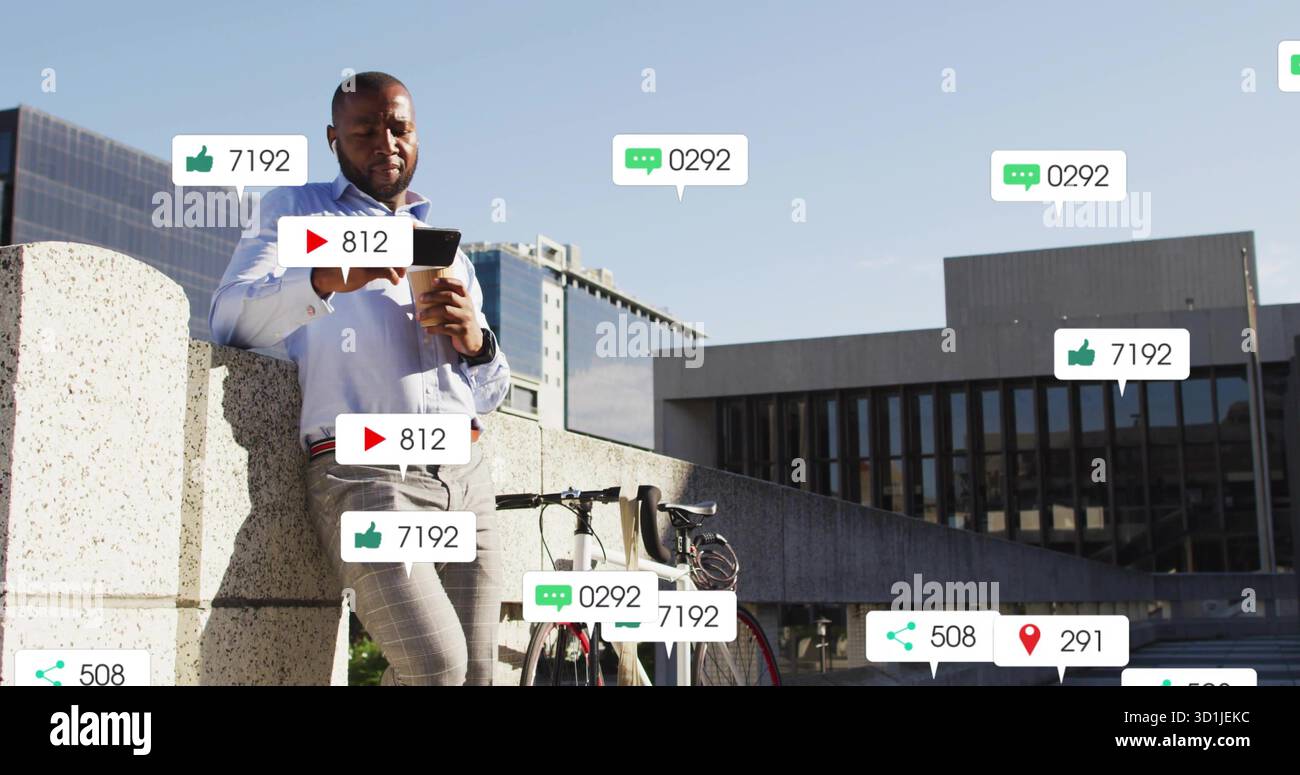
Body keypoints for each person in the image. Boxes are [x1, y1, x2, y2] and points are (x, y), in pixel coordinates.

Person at [210, 71, 510, 685]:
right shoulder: (296, 210)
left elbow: (489, 394)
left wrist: (476, 342)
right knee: (438, 666)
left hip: (465, 476)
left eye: (399, 128)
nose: (386, 143)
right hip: (363, 472)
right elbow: (228, 320)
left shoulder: (444, 246)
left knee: (480, 673)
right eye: (365, 130)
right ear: (332, 138)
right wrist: (327, 276)